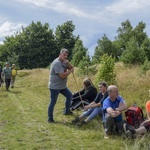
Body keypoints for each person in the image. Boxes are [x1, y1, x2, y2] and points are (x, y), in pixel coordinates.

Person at [48, 48, 74, 123]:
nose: (65, 57)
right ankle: (50, 118)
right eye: (64, 55)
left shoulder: (64, 62)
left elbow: (72, 68)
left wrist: (68, 64)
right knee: (53, 102)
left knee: (69, 96)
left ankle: (67, 111)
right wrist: (70, 71)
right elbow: (62, 76)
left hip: (62, 86)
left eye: (66, 55)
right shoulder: (57, 63)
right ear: (60, 54)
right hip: (54, 87)